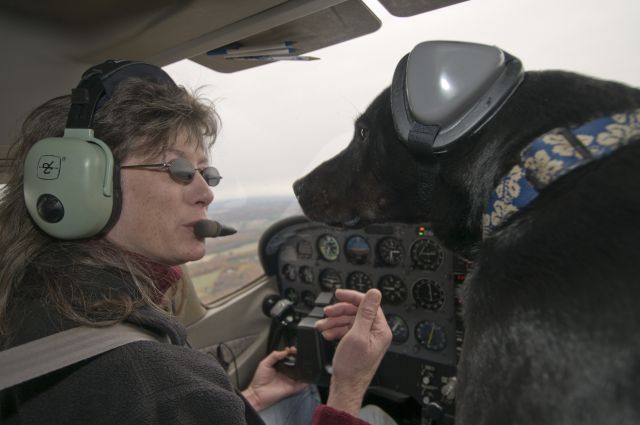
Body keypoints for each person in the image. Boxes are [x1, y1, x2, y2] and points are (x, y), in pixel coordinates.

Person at [0, 60, 392, 424]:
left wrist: (249, 398)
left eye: (208, 173)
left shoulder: (25, 304)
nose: (207, 193)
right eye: (181, 169)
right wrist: (347, 386)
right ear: (82, 185)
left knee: (293, 400)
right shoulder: (161, 382)